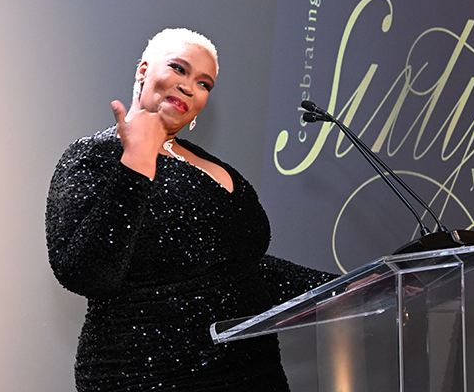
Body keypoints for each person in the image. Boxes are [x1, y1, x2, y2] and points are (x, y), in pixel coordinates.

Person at [45, 28, 337, 391]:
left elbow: (240, 269)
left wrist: (348, 286)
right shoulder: (95, 156)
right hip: (149, 375)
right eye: (179, 69)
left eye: (203, 84)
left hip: (253, 372)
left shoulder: (208, 163)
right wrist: (136, 164)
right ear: (143, 70)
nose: (188, 87)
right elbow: (84, 272)